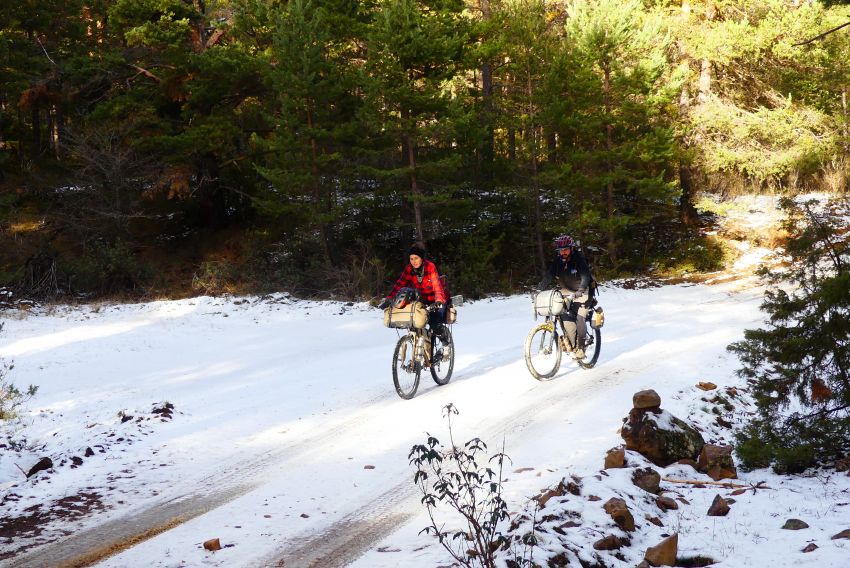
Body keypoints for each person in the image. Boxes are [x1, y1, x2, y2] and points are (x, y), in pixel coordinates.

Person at [378, 242, 449, 341]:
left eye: (416, 258)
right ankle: (420, 348)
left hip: (437, 300)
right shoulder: (409, 269)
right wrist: (389, 299)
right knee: (414, 321)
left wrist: (439, 300)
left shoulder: (430, 267)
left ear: (421, 258)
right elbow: (399, 285)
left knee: (434, 322)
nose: (413, 261)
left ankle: (446, 344)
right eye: (411, 259)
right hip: (422, 299)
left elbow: (437, 285)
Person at [538, 234, 595, 358]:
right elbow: (549, 275)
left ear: (572, 248)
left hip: (584, 291)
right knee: (564, 316)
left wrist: (581, 290)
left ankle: (581, 348)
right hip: (567, 291)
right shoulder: (558, 261)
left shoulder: (578, 259)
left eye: (566, 249)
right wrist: (539, 288)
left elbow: (586, 276)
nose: (563, 252)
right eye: (560, 250)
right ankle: (572, 344)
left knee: (580, 317)